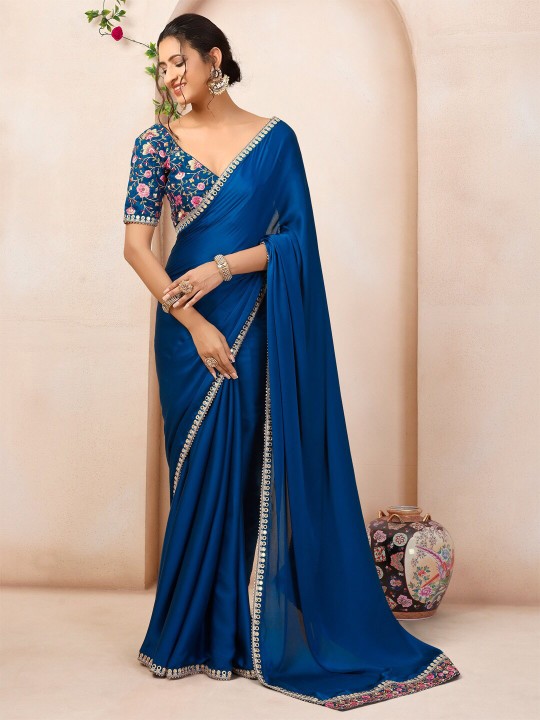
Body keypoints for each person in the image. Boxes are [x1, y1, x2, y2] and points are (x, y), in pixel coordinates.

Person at [122, 12, 461, 711]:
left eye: (180, 61)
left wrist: (220, 268)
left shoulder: (276, 141)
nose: (170, 76)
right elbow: (136, 248)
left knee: (248, 466)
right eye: (162, 65)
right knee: (197, 470)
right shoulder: (155, 143)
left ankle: (237, 636)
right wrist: (194, 324)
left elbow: (298, 241)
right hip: (188, 332)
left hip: (252, 317)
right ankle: (188, 633)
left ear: (215, 59)